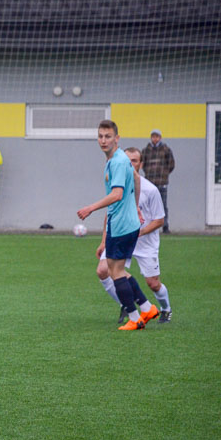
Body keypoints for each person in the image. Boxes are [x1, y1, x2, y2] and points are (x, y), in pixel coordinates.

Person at [77, 120, 159, 331]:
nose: (103, 140)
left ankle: (134, 318)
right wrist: (137, 208)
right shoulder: (120, 158)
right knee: (117, 269)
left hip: (122, 225)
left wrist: (91, 208)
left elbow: (117, 194)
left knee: (115, 272)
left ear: (117, 138)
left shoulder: (116, 162)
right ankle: (147, 308)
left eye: (108, 136)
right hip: (126, 222)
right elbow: (137, 179)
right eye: (100, 136)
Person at [96, 147, 172, 324]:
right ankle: (127, 305)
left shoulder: (151, 190)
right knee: (103, 270)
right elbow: (110, 213)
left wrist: (140, 232)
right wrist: (103, 242)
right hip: (121, 236)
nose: (130, 164)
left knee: (153, 283)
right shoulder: (117, 185)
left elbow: (159, 220)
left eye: (135, 161)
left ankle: (165, 309)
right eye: (127, 160)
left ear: (141, 164)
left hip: (144, 242)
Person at [142, 129, 175, 233]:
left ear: (160, 137)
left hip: (162, 183)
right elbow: (143, 164)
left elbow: (171, 164)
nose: (155, 138)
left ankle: (165, 227)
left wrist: (164, 174)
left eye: (157, 136)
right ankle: (149, 226)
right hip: (150, 183)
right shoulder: (145, 150)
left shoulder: (166, 150)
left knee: (163, 205)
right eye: (153, 136)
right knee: (147, 205)